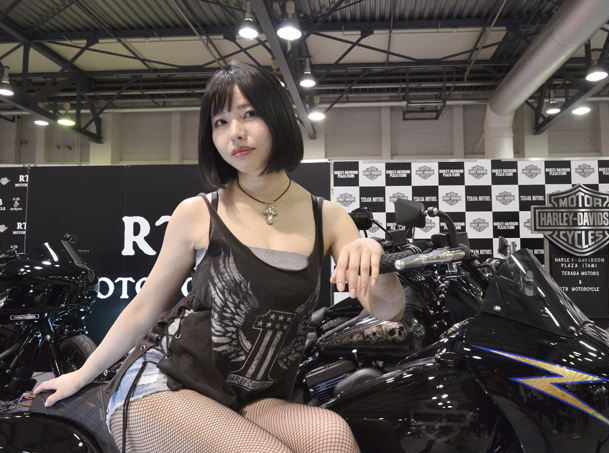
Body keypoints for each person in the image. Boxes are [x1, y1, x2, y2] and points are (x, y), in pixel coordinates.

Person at [33, 60, 405, 452]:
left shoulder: (327, 217)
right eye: (220, 122)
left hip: (253, 399)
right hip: (168, 386)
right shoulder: (198, 212)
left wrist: (378, 263)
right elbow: (145, 307)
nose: (235, 133)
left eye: (250, 114)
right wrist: (83, 375)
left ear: (278, 117)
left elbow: (387, 310)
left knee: (334, 438)